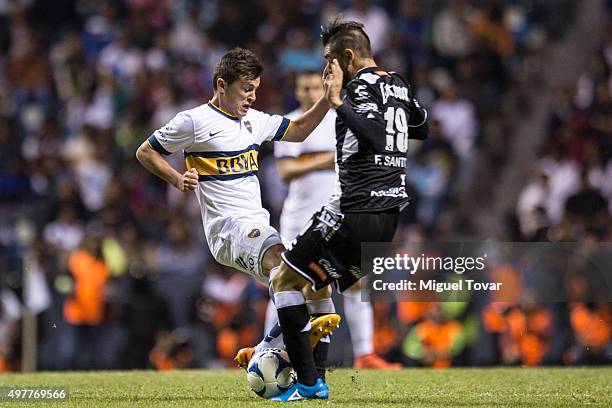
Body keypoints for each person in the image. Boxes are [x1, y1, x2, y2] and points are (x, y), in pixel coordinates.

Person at [135, 47, 341, 356]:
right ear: (221, 85)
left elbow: (298, 131)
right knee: (284, 263)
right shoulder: (193, 122)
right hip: (228, 230)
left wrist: (327, 97)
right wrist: (177, 179)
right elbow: (145, 151)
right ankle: (299, 366)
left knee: (307, 276)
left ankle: (268, 350)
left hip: (256, 225)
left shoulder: (254, 121)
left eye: (255, 89)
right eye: (246, 88)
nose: (252, 96)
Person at [267, 20, 428, 401]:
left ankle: (307, 381)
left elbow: (373, 136)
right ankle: (316, 381)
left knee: (283, 282)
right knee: (318, 285)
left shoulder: (354, 89)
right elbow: (421, 128)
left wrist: (339, 101)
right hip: (388, 218)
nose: (326, 70)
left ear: (348, 57)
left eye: (329, 61)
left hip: (353, 210)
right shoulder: (398, 82)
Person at [235, 70, 401, 370]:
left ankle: (364, 353)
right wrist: (328, 159)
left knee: (355, 282)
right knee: (284, 282)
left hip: (335, 216)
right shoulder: (292, 124)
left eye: (315, 86)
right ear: (297, 90)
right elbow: (285, 171)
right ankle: (268, 351)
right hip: (298, 219)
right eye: (305, 87)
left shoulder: (339, 120)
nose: (311, 91)